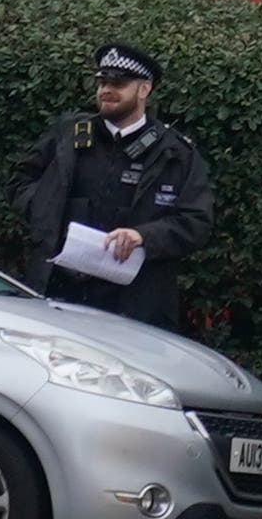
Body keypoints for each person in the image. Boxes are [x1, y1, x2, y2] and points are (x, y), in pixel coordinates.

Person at [16, 43, 218, 337]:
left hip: (135, 304)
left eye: (118, 83)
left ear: (144, 90)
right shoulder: (69, 136)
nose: (107, 90)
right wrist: (48, 211)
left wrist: (143, 237)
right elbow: (20, 181)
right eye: (102, 82)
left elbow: (196, 221)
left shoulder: (174, 153)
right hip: (60, 296)